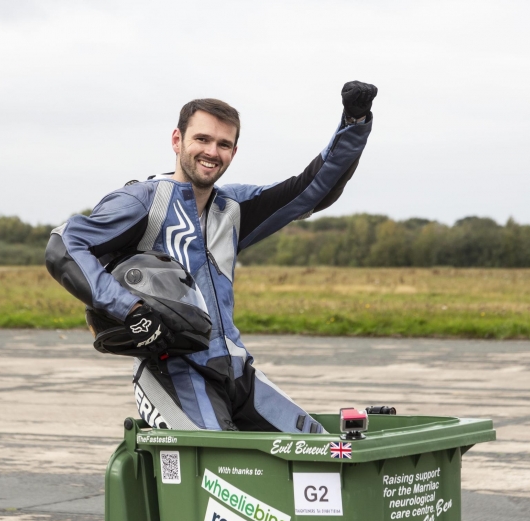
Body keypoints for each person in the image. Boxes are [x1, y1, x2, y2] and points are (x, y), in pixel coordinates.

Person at [46, 81, 377, 433]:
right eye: (201, 139)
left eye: (223, 144)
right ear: (177, 140)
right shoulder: (142, 201)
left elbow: (311, 190)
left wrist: (354, 122)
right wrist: (130, 309)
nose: (211, 152)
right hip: (172, 371)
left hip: (236, 371)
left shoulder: (232, 208)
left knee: (323, 449)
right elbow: (64, 246)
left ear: (234, 151)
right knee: (221, 458)